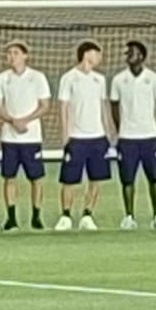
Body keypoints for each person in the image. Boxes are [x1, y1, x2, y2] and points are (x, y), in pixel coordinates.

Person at [0, 42, 51, 230]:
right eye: (9, 53)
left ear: (25, 56)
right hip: (9, 138)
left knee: (36, 178)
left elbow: (45, 106)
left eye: (15, 53)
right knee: (9, 178)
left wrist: (25, 120)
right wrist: (12, 120)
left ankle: (36, 216)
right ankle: (11, 218)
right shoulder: (1, 79)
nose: (11, 56)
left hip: (31, 137)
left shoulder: (37, 77)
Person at [109, 42, 156, 229]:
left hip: (149, 137)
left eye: (132, 53)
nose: (128, 56)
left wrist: (155, 127)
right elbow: (114, 106)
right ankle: (129, 216)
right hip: (127, 138)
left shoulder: (153, 78)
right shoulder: (119, 80)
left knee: (154, 178)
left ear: (142, 56)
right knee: (127, 179)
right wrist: (121, 129)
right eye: (127, 53)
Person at [53, 41, 111, 230]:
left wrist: (108, 132)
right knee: (69, 179)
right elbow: (63, 107)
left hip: (97, 137)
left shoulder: (100, 79)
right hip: (76, 137)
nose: (100, 58)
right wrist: (65, 135)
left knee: (96, 179)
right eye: (97, 54)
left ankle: (88, 214)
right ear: (87, 54)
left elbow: (103, 106)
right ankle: (66, 215)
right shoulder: (69, 78)